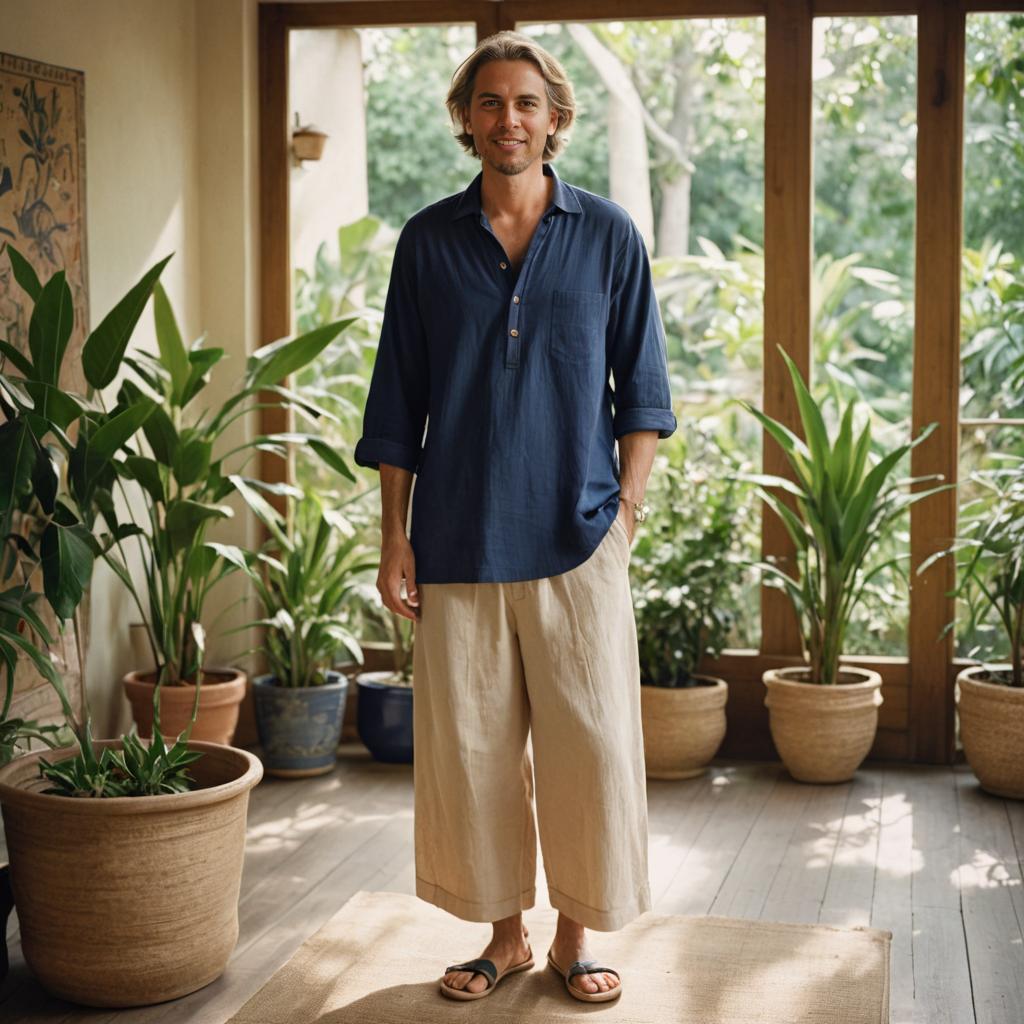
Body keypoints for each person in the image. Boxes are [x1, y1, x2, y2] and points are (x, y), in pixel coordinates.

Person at [353, 30, 676, 1005]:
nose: (508, 119)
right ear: (466, 118)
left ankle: (575, 935)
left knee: (591, 747)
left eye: (525, 102)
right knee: (474, 753)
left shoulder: (608, 234)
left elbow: (645, 390)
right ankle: (504, 933)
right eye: (489, 102)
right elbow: (396, 403)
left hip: (579, 539)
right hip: (455, 539)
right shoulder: (427, 242)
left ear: (554, 117)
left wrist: (623, 508)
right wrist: (394, 535)